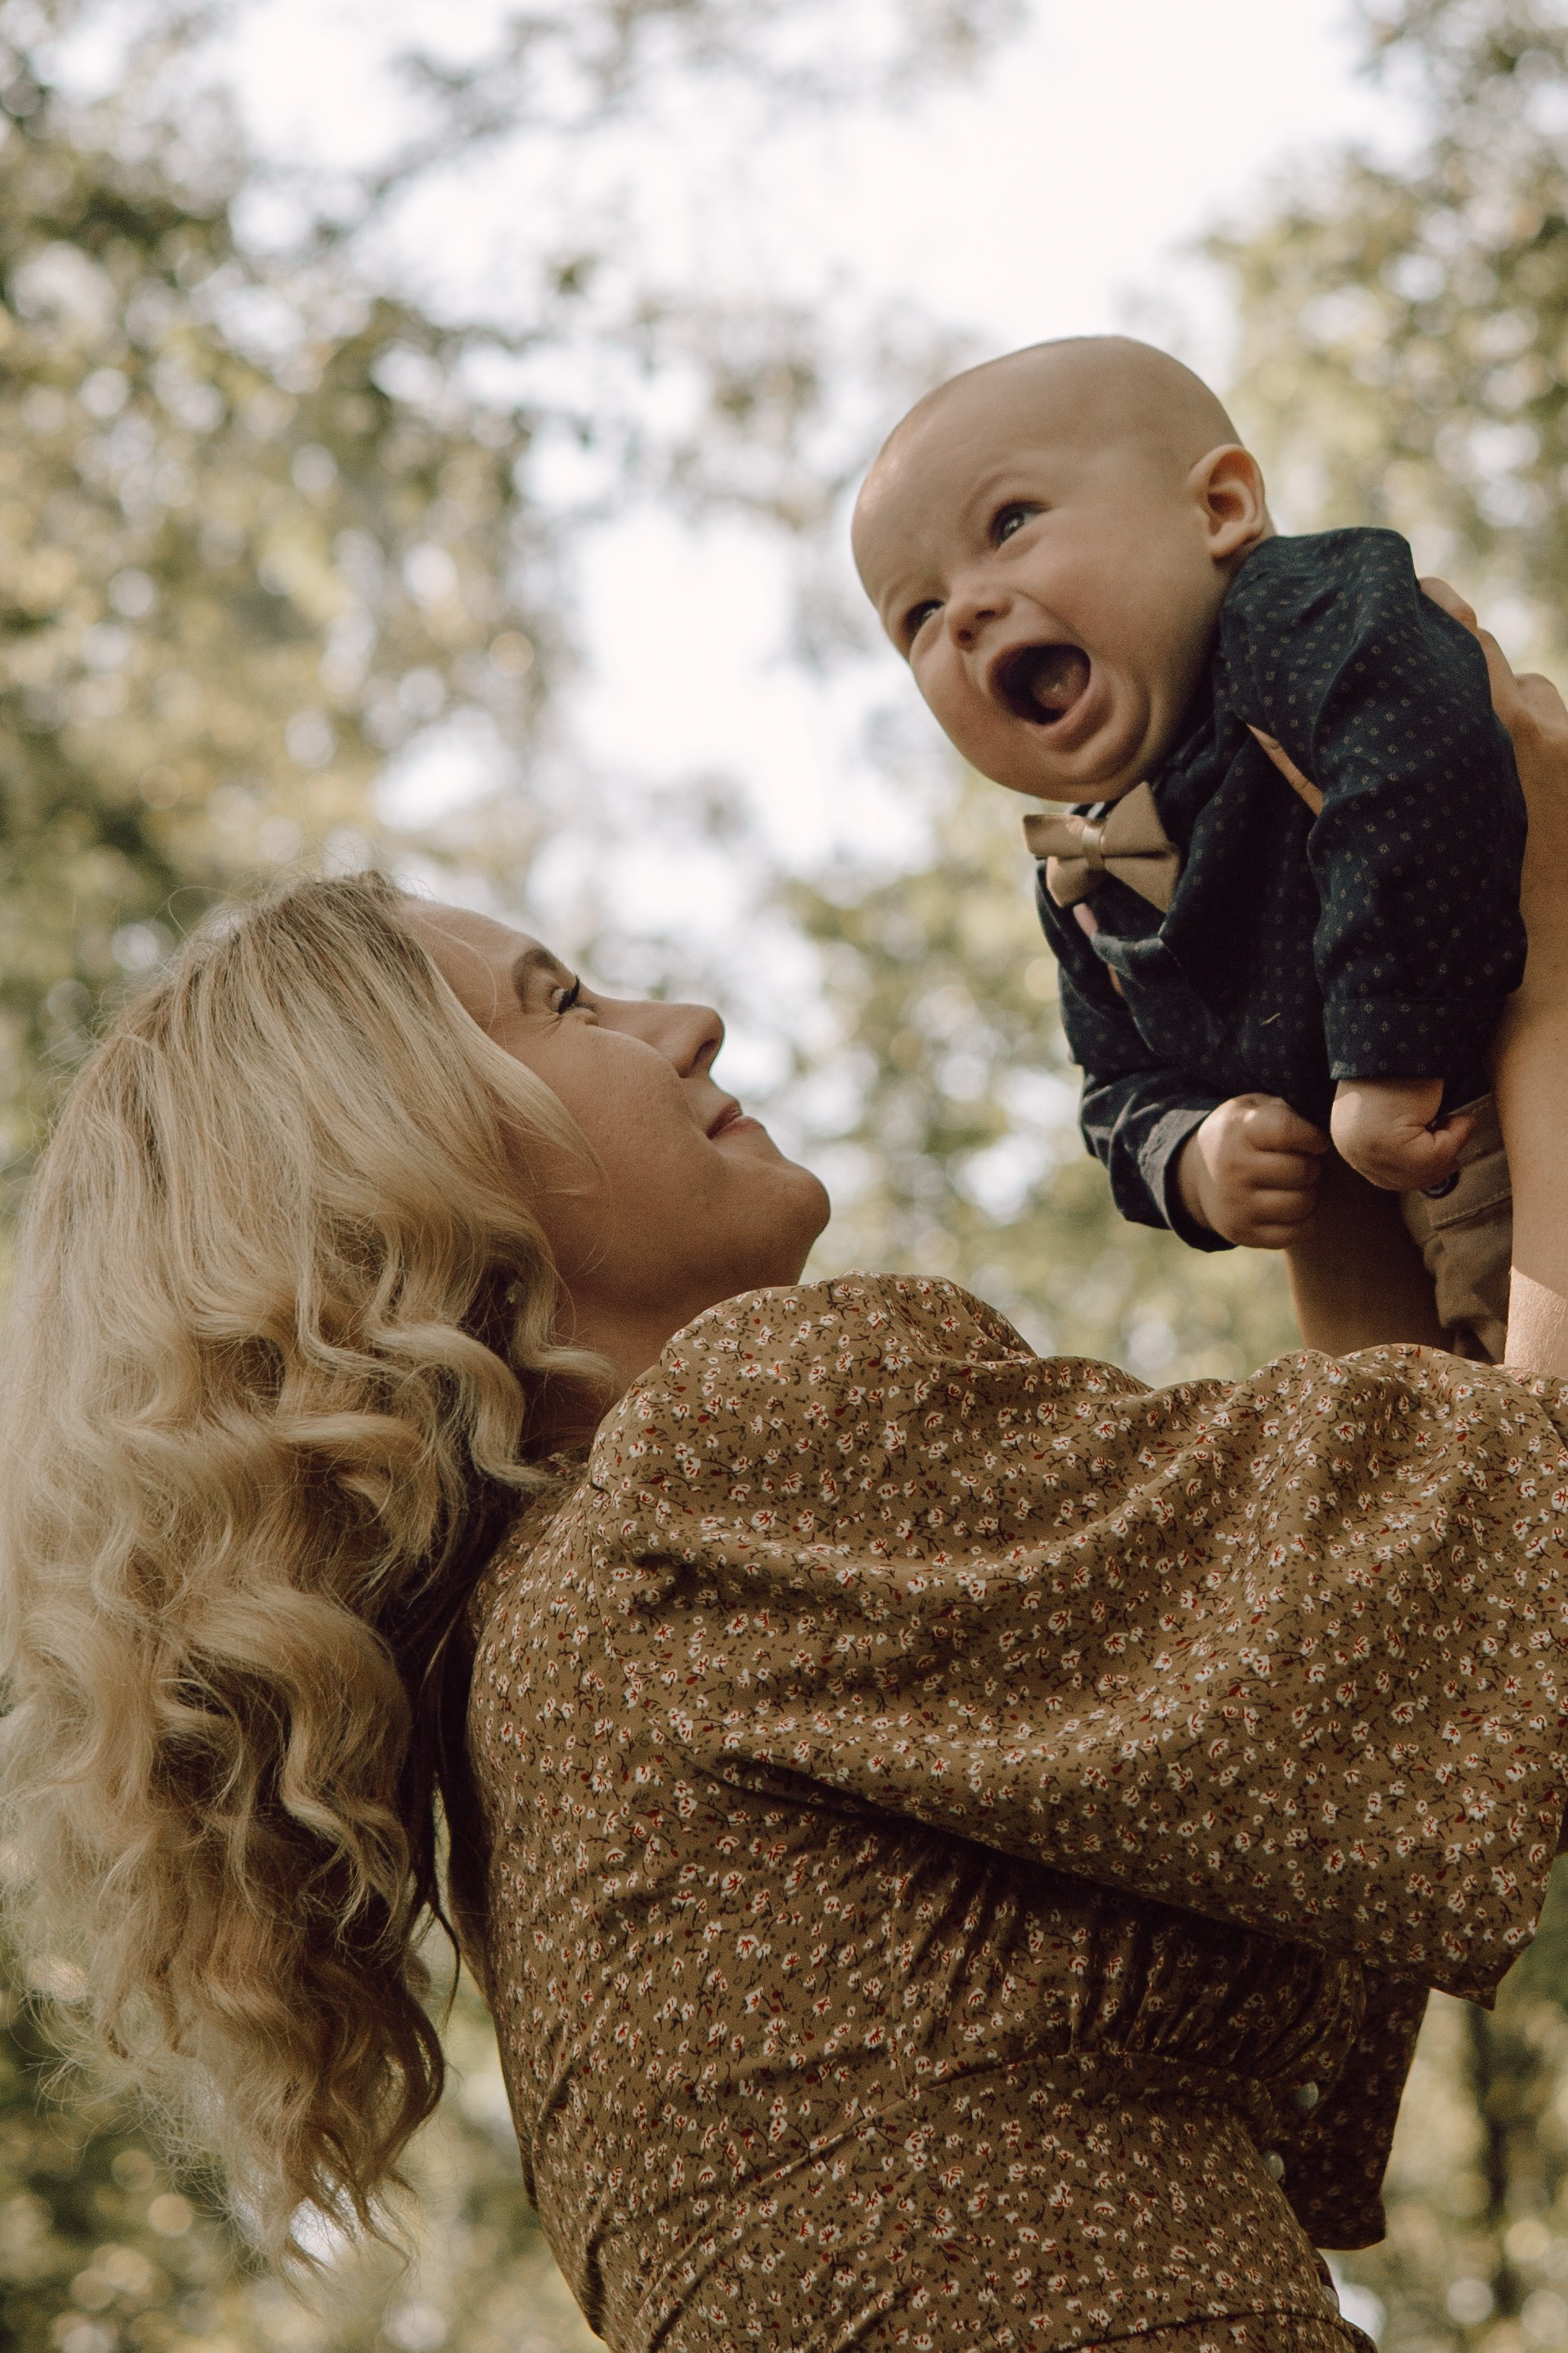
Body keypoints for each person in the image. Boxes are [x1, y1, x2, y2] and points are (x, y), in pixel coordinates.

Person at [3, 599, 1568, 2353]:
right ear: (400, 1183)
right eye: (563, 1002)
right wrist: (1549, 937)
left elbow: (1357, 1699)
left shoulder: (557, 1694)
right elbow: (1518, 1526)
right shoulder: (727, 1460)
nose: (692, 1017)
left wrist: (1326, 1098)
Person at [851, 336, 1526, 1360]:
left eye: (1011, 523)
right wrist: (1191, 1156)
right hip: (1434, 1240)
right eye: (921, 615)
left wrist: (1388, 1049)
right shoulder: (1084, 877)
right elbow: (1113, 1087)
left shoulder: (1295, 616)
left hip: (1517, 1094)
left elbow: (1413, 771)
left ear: (1219, 511)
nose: (969, 612)